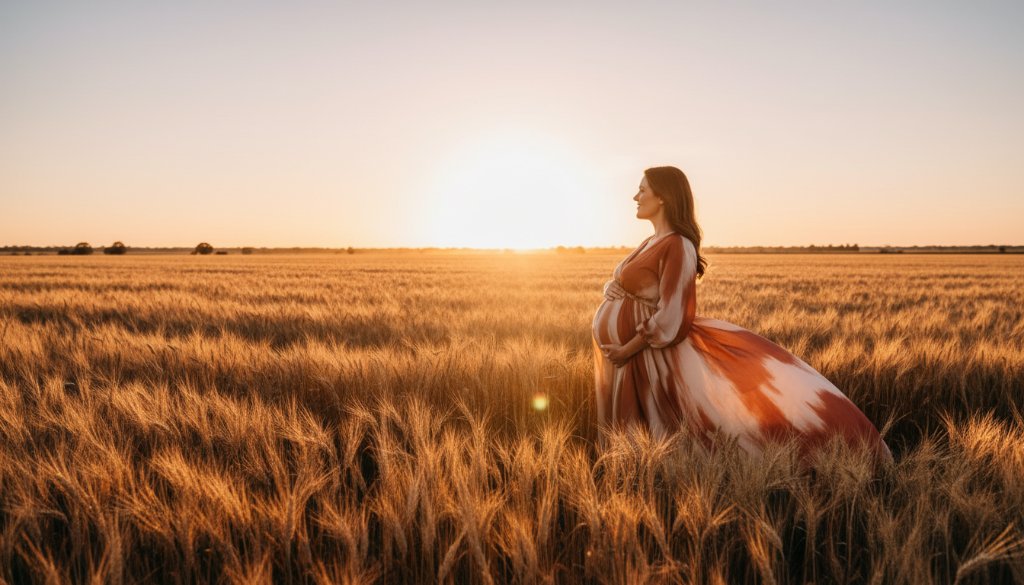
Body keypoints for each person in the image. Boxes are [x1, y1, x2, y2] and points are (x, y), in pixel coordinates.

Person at [592, 166, 892, 463]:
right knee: (634, 433)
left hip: (648, 358)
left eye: (642, 189)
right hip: (628, 356)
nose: (635, 196)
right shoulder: (650, 241)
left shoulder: (679, 245)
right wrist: (613, 288)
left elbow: (673, 314)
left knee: (669, 433)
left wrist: (626, 348)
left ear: (664, 198)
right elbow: (633, 284)